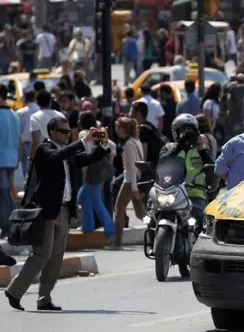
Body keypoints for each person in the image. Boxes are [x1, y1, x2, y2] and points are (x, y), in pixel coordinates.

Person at [4, 119, 110, 311]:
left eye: (69, 131)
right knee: (42, 253)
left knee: (56, 256)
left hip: (64, 209)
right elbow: (56, 157)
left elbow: (85, 159)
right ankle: (15, 291)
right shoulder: (45, 149)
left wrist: (102, 145)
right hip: (47, 210)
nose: (67, 135)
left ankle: (44, 298)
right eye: (62, 131)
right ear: (52, 132)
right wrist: (81, 141)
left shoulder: (66, 153)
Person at [160, 114, 214, 224]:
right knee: (155, 215)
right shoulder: (169, 148)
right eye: (184, 130)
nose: (187, 133)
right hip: (170, 193)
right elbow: (162, 163)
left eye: (191, 130)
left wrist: (203, 152)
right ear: (176, 132)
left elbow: (213, 170)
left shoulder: (201, 149)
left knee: (200, 220)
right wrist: (180, 145)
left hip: (194, 195)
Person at [76, 111, 116, 239]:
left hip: (91, 172)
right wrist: (109, 161)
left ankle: (110, 230)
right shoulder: (96, 132)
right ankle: (88, 226)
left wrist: (85, 172)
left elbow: (85, 152)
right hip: (99, 172)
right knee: (83, 197)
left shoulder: (83, 134)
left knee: (96, 202)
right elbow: (112, 146)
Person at [111, 117, 146, 250]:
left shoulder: (128, 144)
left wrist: (134, 188)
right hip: (135, 180)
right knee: (140, 213)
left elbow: (132, 167)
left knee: (119, 210)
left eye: (117, 127)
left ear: (123, 129)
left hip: (130, 181)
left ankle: (117, 242)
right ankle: (156, 232)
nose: (116, 130)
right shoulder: (135, 141)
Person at [0, 84, 20, 237]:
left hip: (1, 160)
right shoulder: (14, 114)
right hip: (12, 160)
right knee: (6, 192)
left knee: (4, 193)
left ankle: (9, 226)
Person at [28, 90, 65, 160]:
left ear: (37, 102)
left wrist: (31, 157)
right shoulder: (60, 115)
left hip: (43, 156)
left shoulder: (35, 117)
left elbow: (36, 141)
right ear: (50, 101)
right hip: (60, 154)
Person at [16, 89, 38, 183]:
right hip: (38, 142)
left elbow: (18, 131)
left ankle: (27, 189)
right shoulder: (39, 110)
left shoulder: (20, 112)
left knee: (26, 170)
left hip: (25, 143)